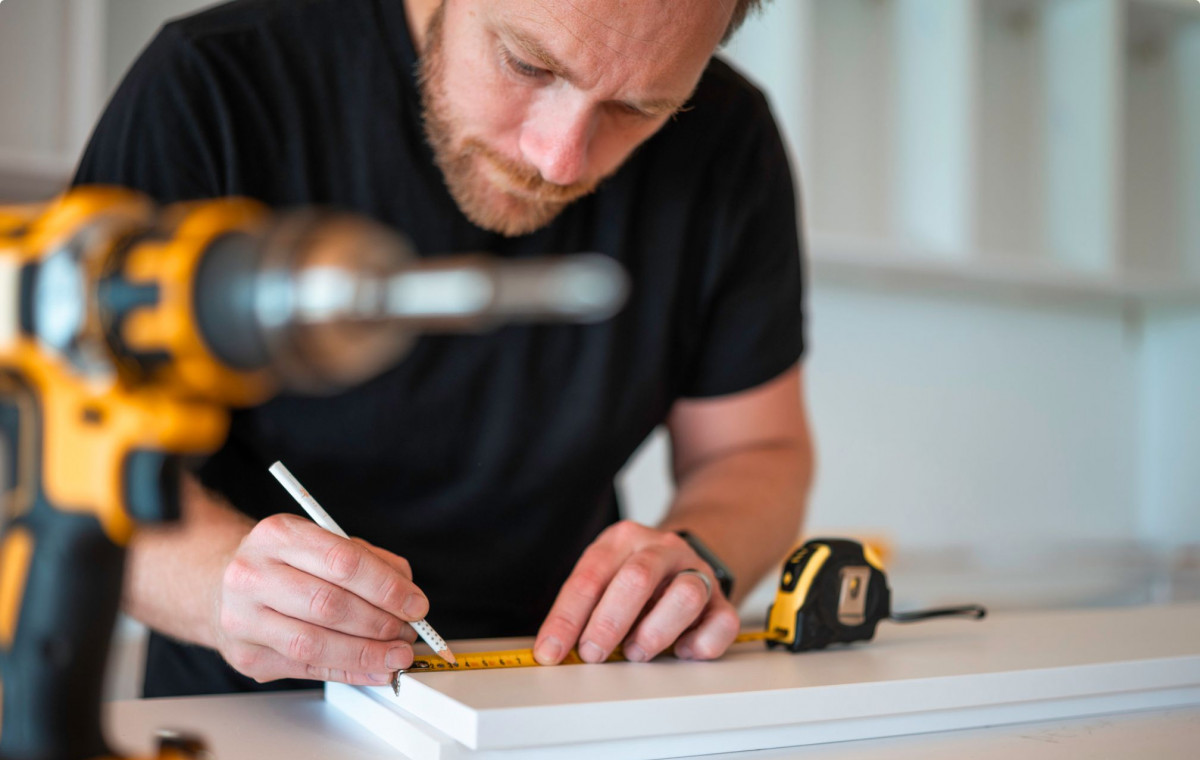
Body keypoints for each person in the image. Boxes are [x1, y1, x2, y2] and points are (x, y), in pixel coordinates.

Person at [74, 0, 814, 697]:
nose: (558, 160)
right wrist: (218, 583)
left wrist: (700, 556)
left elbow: (756, 449)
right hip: (250, 723)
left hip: (558, 707)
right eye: (528, 64)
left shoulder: (728, 141)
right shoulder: (212, 86)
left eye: (636, 109)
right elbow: (67, 465)